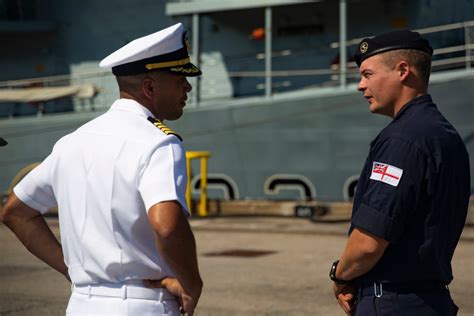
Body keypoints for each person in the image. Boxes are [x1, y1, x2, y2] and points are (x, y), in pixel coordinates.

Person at [0, 23, 203, 316]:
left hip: (81, 304)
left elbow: (15, 211)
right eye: (180, 80)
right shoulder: (159, 143)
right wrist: (191, 285)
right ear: (149, 87)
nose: (188, 87)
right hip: (144, 305)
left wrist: (73, 271)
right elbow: (167, 225)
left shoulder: (72, 142)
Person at [329, 30, 470, 315]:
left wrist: (340, 274)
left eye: (367, 74)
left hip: (394, 301)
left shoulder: (401, 141)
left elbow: (369, 241)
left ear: (403, 70)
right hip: (431, 300)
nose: (360, 85)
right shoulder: (445, 135)